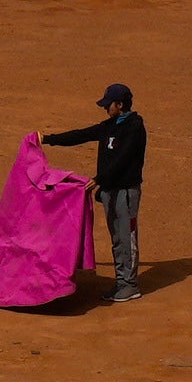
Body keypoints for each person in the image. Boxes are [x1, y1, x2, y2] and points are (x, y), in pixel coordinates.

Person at [40, 83, 148, 301]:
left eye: (109, 104)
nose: (105, 107)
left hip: (125, 192)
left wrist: (99, 180)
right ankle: (122, 281)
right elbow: (81, 135)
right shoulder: (110, 125)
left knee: (127, 237)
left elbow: (123, 159)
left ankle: (130, 284)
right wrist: (49, 139)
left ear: (120, 104)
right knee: (117, 238)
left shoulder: (134, 128)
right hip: (110, 191)